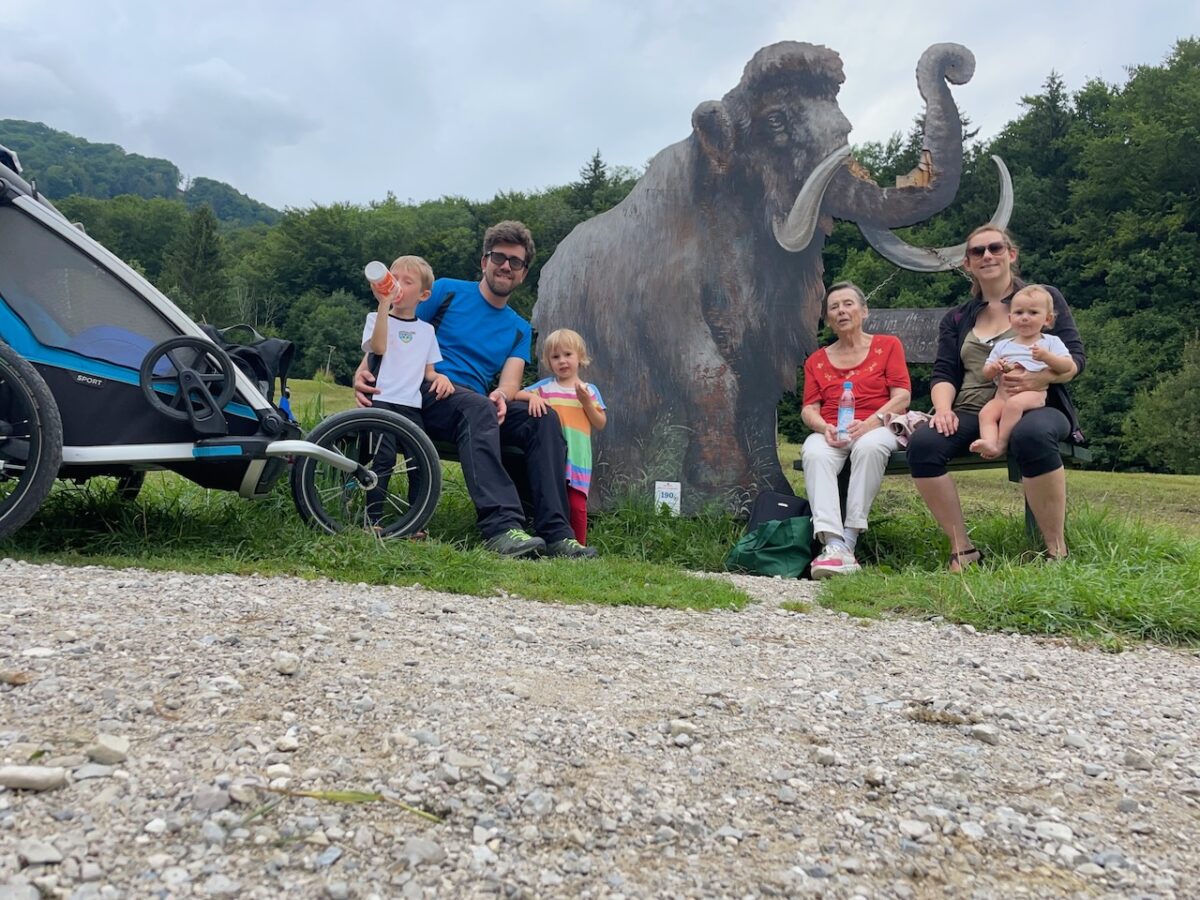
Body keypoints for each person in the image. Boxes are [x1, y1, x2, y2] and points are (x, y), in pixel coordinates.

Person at [353, 221, 596, 559]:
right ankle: (502, 527)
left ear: (524, 273)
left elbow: (510, 382)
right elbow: (395, 323)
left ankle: (557, 533)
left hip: (475, 405)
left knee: (541, 418)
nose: (506, 266)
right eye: (499, 257)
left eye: (516, 262)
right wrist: (363, 371)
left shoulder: (519, 328)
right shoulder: (446, 292)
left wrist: (502, 395)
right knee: (477, 406)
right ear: (484, 262)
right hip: (422, 391)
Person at [906, 226, 1086, 568]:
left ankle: (1055, 551)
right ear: (968, 263)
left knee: (1031, 435)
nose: (987, 255)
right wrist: (943, 409)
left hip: (1038, 404)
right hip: (975, 409)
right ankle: (963, 548)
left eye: (995, 248)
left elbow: (1075, 359)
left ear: (1011, 254)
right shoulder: (958, 318)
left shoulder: (1041, 298)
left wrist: (1040, 377)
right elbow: (944, 373)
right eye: (977, 252)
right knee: (924, 445)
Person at [800, 282, 911, 578]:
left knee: (869, 446)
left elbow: (902, 395)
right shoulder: (816, 360)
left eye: (848, 304)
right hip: (834, 430)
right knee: (814, 452)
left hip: (877, 424)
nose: (841, 311)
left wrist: (873, 421)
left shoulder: (888, 346)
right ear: (828, 318)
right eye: (834, 307)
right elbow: (809, 408)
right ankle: (832, 543)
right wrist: (825, 428)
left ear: (864, 311)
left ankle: (849, 538)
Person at [361, 255, 452, 528]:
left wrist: (442, 378)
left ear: (423, 295)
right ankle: (372, 519)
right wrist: (383, 305)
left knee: (419, 461)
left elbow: (429, 371)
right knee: (384, 458)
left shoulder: (426, 331)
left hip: (411, 405)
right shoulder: (375, 318)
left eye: (406, 281)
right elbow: (377, 348)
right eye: (394, 277)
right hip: (382, 401)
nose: (397, 284)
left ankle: (415, 522)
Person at [515, 328, 607, 545]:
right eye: (556, 357)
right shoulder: (545, 388)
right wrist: (531, 399)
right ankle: (552, 540)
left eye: (568, 355)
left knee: (576, 504)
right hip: (551, 456)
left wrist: (585, 402)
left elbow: (600, 422)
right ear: (548, 362)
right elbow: (517, 393)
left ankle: (579, 544)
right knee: (553, 499)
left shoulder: (589, 390)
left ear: (580, 357)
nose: (562, 361)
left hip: (577, 458)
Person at [968, 284, 1074, 460]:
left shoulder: (1050, 342)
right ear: (1010, 319)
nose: (1025, 318)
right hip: (1001, 396)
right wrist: (993, 368)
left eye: (1033, 313)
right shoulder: (1003, 345)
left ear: (1047, 319)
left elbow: (1067, 366)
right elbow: (986, 373)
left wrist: (1047, 358)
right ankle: (989, 442)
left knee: (1014, 405)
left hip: (1033, 394)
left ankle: (1001, 444)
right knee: (986, 413)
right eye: (1019, 313)